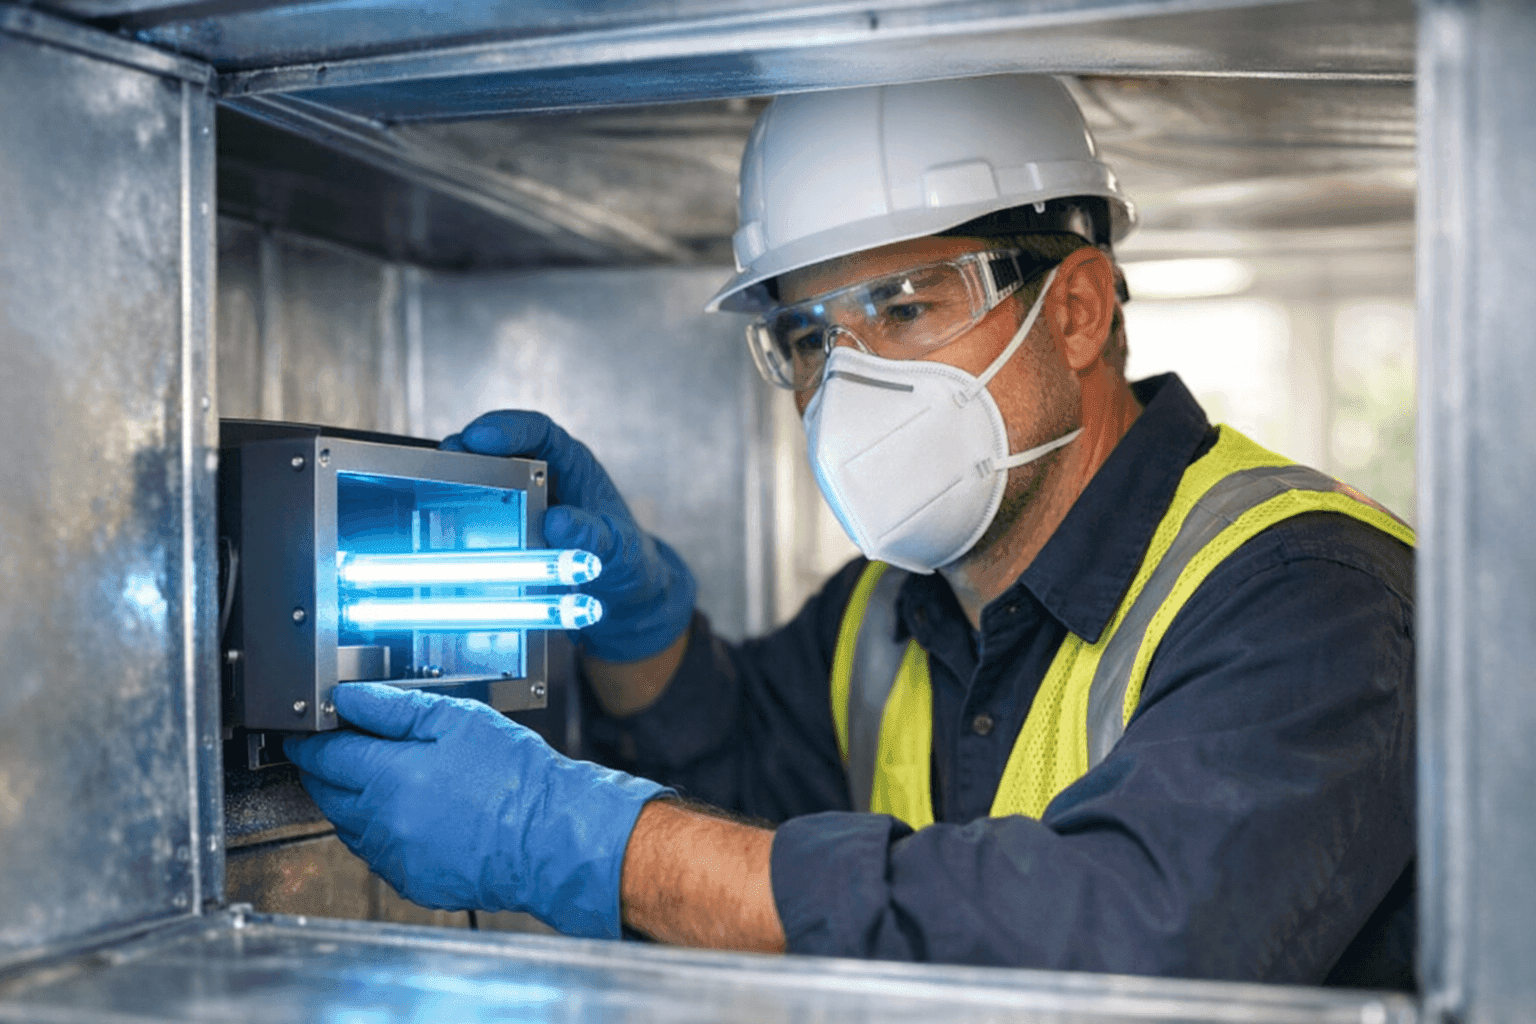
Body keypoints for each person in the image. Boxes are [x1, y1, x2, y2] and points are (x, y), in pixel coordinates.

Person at [285, 76, 1416, 986]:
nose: (850, 385)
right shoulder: (888, 607)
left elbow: (1128, 943)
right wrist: (641, 636)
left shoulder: (1312, 595)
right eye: (813, 340)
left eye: (908, 307)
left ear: (1076, 310)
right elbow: (735, 792)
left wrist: (578, 839)